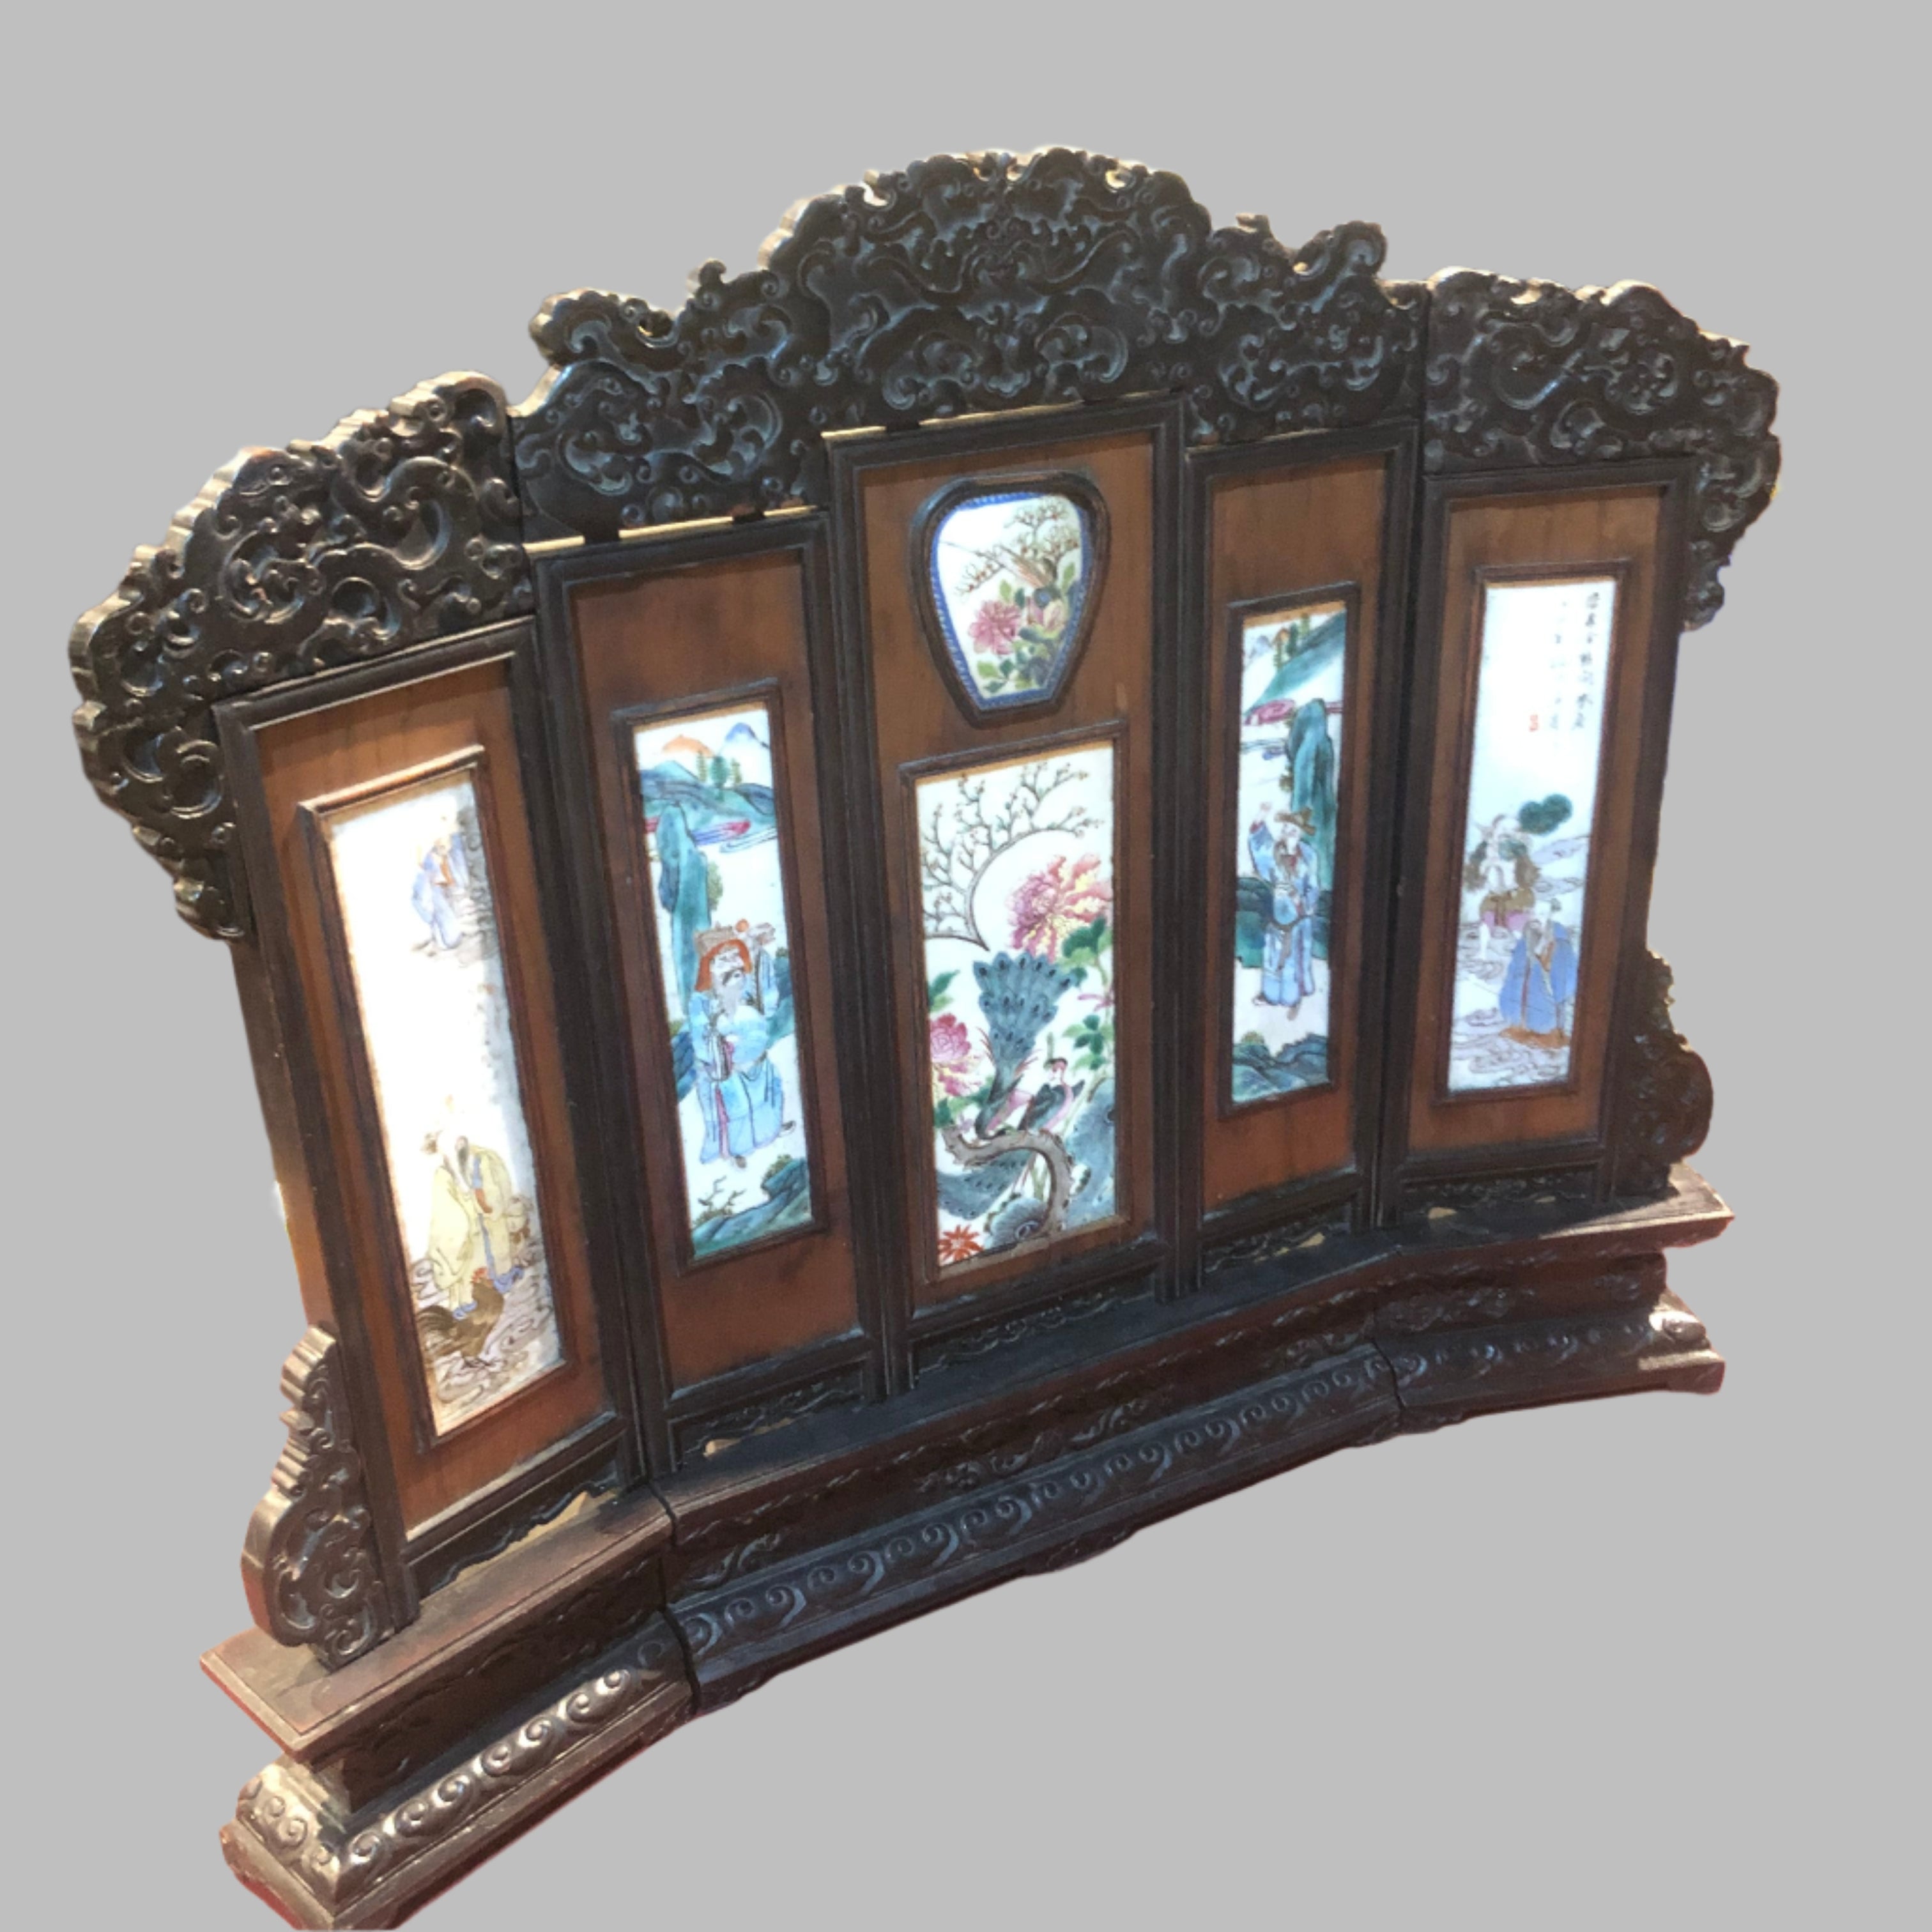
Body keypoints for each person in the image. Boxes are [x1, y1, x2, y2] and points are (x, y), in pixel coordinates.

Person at [691, 935, 794, 1167]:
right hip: (731, 1072)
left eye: (734, 957)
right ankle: (738, 1151)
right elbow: (701, 1041)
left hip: (759, 1064)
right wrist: (723, 1043)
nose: (732, 964)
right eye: (723, 960)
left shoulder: (745, 985)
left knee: (768, 1100)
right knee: (739, 1113)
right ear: (709, 968)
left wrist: (758, 955)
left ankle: (771, 1131)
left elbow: (768, 1004)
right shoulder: (702, 1001)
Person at [423, 1131, 525, 1313]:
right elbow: (451, 1222)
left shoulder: (484, 1159)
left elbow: (498, 1199)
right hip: (474, 1246)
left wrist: (485, 1204)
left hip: (493, 1238)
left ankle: (497, 1284)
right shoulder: (444, 1176)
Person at [1248, 808, 1320, 1016]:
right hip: (1278, 917)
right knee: (1273, 958)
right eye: (1287, 828)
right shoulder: (1274, 852)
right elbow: (1259, 847)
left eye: (1294, 830)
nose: (1289, 833)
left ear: (1300, 834)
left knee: (1293, 962)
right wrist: (1260, 817)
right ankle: (1270, 995)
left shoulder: (1308, 857)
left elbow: (1314, 888)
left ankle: (1292, 998)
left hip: (1298, 921)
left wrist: (1300, 900)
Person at [1498, 901, 1579, 1048]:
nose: (1535, 917)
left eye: (1541, 914)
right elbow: (1517, 963)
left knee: (1546, 1007)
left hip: (1547, 986)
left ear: (1550, 915)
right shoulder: (1528, 933)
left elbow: (1564, 971)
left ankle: (1550, 1033)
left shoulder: (1559, 939)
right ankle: (1521, 1028)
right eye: (1533, 913)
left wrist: (1546, 961)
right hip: (1526, 986)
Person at [1464, 814, 1538, 961]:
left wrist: (1503, 866)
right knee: (1486, 922)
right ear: (1494, 831)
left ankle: (1526, 953)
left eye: (1514, 830)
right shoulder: (1487, 850)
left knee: (1516, 924)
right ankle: (1482, 952)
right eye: (1503, 829)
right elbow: (1480, 876)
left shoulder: (1516, 853)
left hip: (1516, 896)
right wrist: (1487, 865)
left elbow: (1514, 879)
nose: (1507, 833)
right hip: (1494, 896)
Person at [411, 831, 468, 951]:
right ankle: (448, 940)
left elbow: (452, 878)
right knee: (443, 915)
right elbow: (430, 876)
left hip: (443, 890)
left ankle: (451, 938)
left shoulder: (446, 856)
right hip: (437, 892)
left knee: (448, 913)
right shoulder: (430, 859)